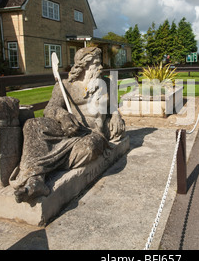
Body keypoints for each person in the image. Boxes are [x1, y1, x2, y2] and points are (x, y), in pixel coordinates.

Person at [10, 47, 125, 203]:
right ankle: (35, 180)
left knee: (89, 148)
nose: (101, 67)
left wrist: (116, 116)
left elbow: (112, 107)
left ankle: (40, 170)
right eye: (96, 63)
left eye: (100, 63)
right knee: (33, 124)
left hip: (92, 132)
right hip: (69, 127)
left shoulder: (106, 83)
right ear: (83, 65)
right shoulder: (65, 85)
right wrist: (63, 115)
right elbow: (50, 108)